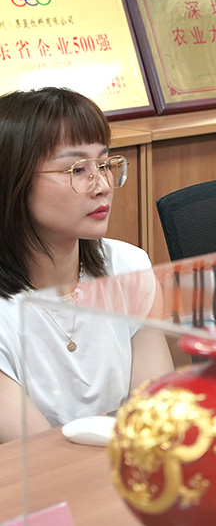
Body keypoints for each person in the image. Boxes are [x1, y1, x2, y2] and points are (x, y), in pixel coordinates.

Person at [0, 88, 171, 443]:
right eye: (78, 169)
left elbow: (156, 415)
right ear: (13, 180)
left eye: (104, 165)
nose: (103, 186)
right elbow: (39, 457)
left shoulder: (128, 267)